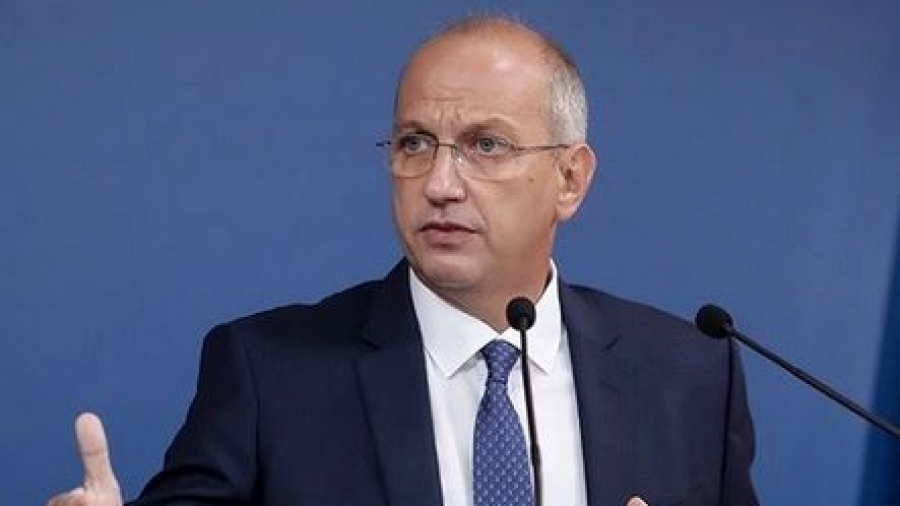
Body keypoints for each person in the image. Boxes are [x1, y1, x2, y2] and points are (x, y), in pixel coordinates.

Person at [48, 15, 759, 506]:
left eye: (485, 145)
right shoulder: (269, 374)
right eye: (415, 143)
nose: (440, 183)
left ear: (570, 179)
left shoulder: (691, 374)